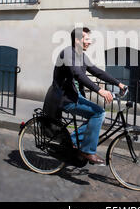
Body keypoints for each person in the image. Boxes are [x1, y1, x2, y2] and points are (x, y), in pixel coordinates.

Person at [43, 27, 126, 165]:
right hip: (64, 98)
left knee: (96, 116)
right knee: (99, 114)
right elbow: (77, 74)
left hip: (74, 96)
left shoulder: (81, 55)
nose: (90, 41)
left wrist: (119, 84)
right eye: (87, 39)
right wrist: (100, 90)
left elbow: (97, 72)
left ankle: (73, 141)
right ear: (77, 40)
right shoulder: (68, 53)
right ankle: (87, 151)